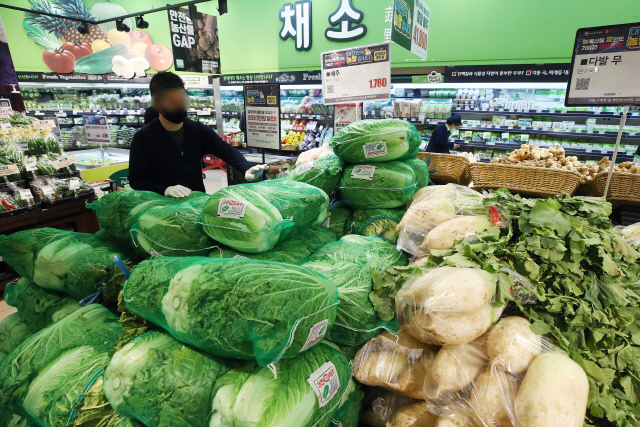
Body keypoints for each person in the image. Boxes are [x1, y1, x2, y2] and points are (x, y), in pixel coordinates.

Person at [129, 72, 272, 198]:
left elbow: (226, 150)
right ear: (157, 103)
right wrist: (165, 189)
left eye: (180, 99)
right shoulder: (144, 137)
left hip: (196, 203)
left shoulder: (197, 130)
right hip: (159, 208)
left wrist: (246, 168)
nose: (178, 105)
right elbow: (136, 180)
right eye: (172, 101)